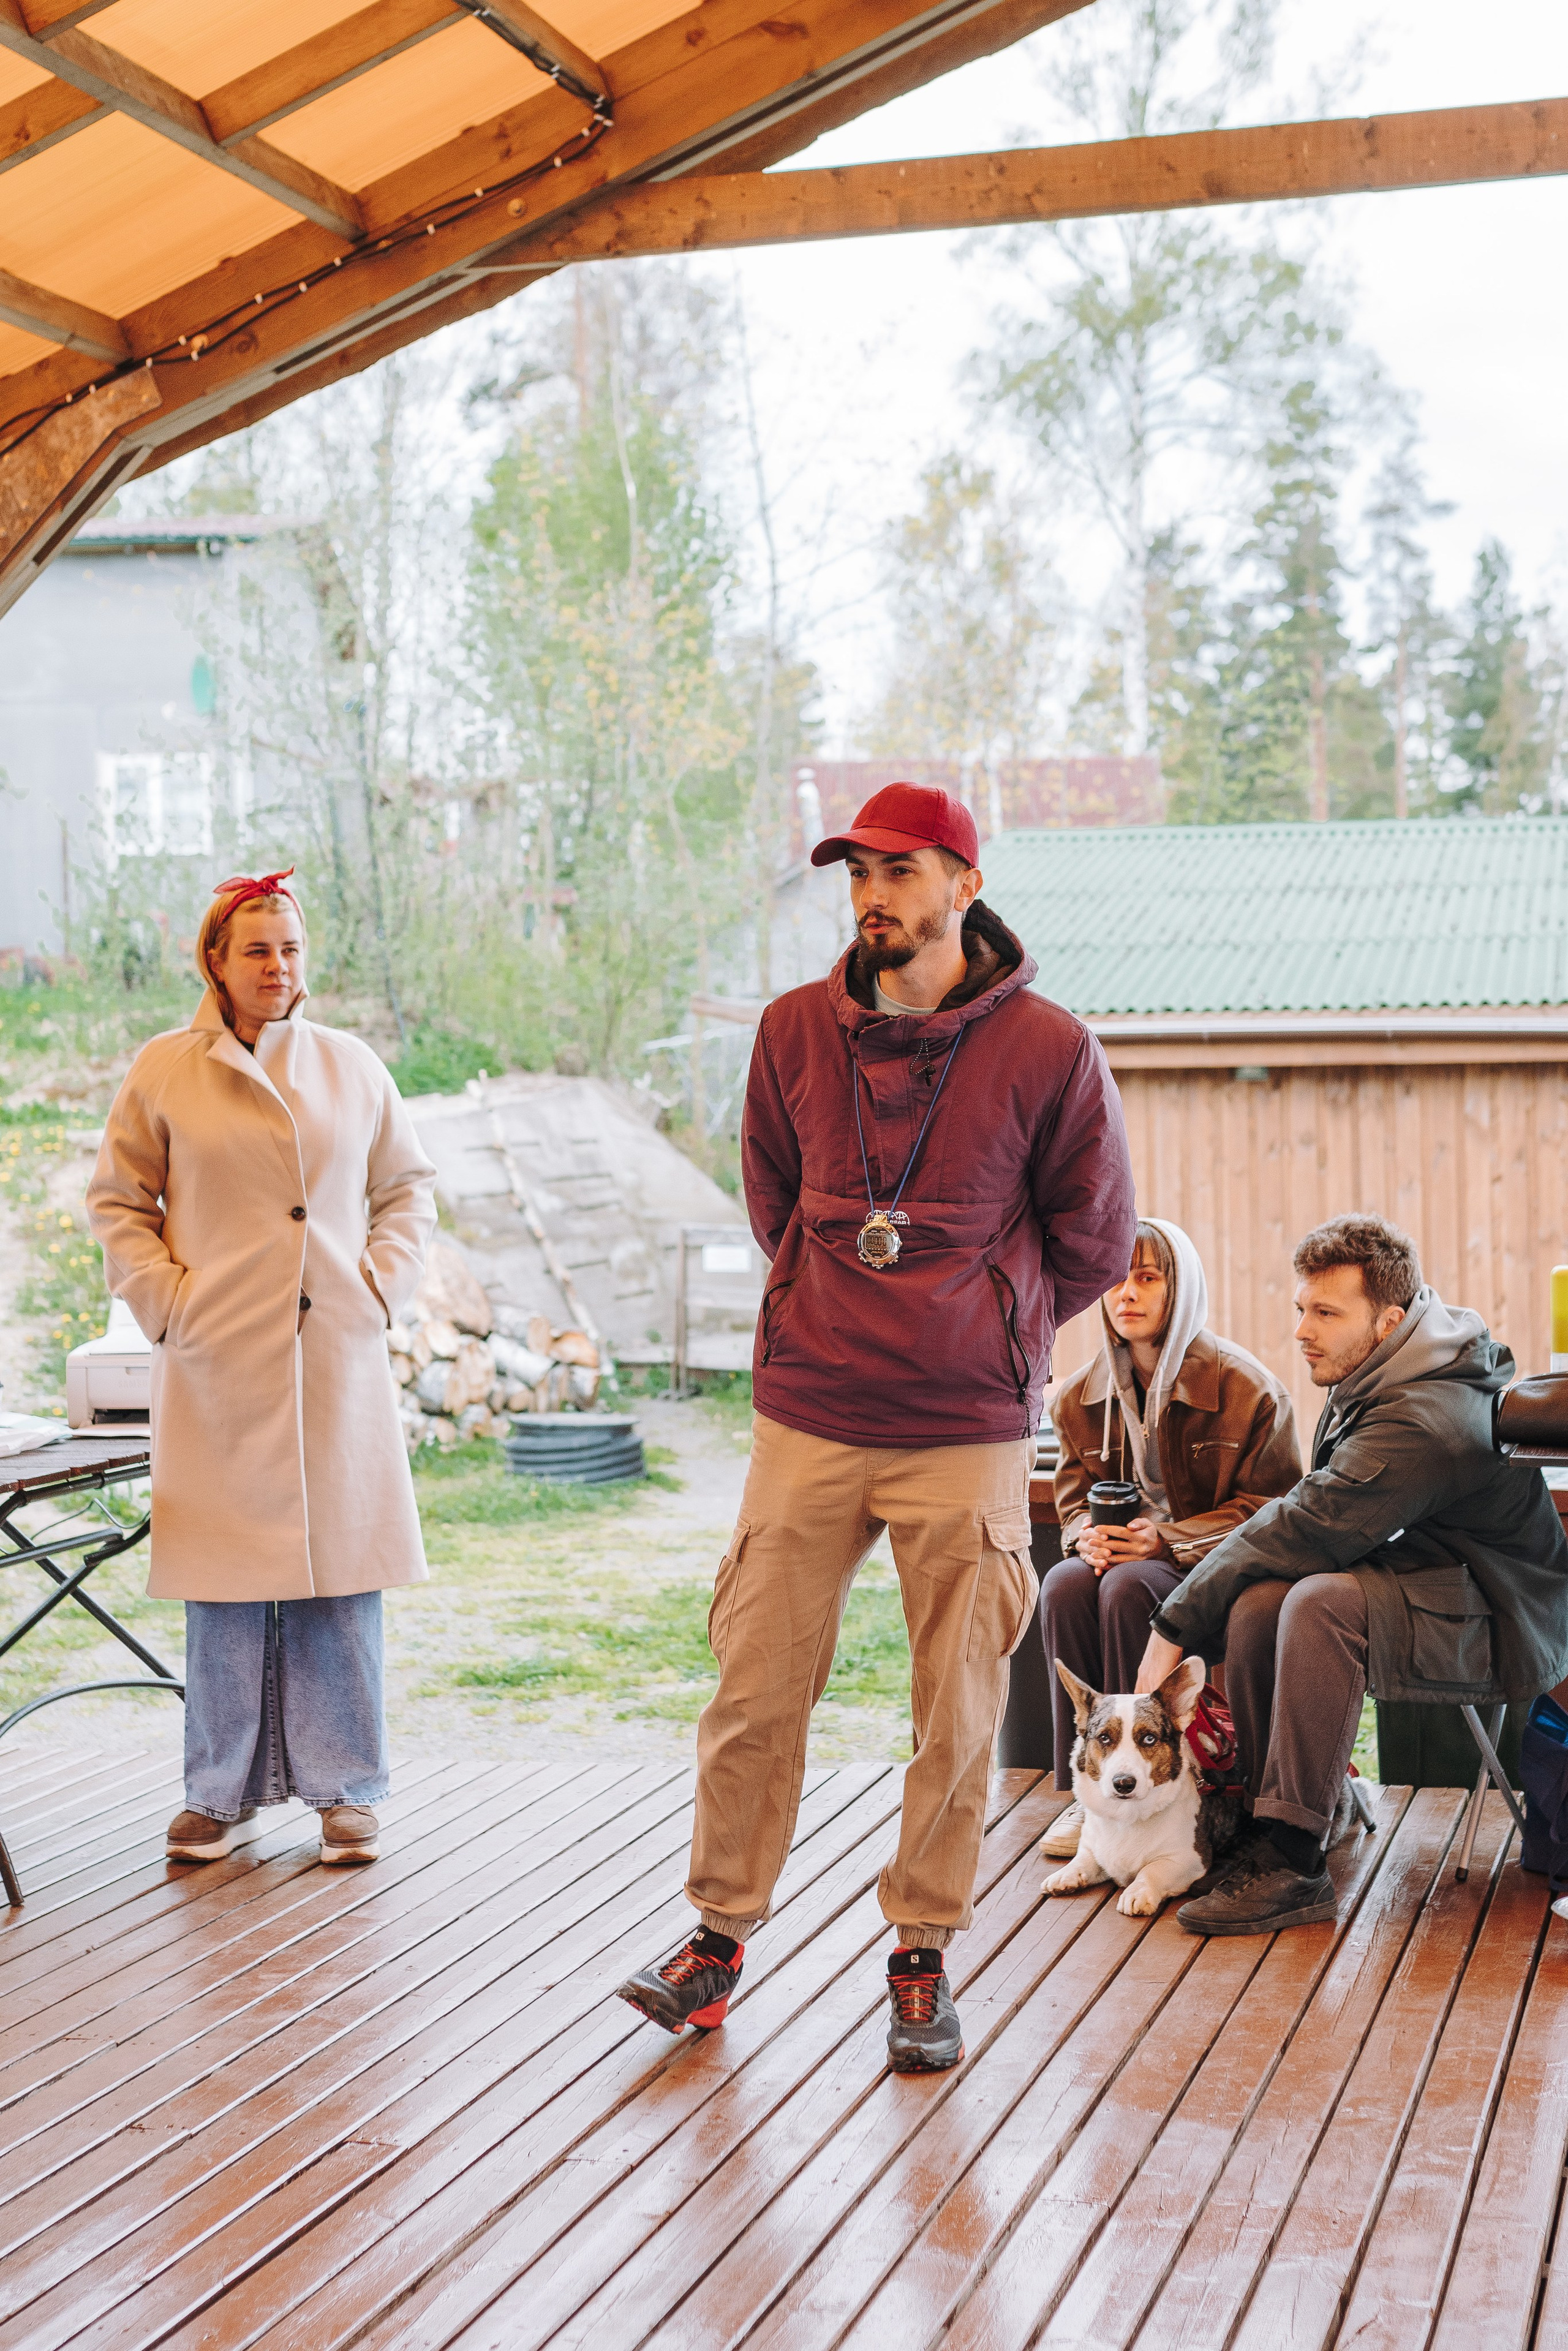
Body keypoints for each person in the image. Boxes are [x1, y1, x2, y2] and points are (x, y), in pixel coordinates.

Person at [617, 781, 1136, 2071]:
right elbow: (772, 1196)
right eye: (856, 872)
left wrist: (993, 1323)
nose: (871, 894)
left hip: (964, 1423)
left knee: (956, 1709)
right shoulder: (792, 1030)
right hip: (813, 1410)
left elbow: (1094, 1238)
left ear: (964, 882)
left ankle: (921, 1952)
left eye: (899, 870)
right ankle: (715, 1940)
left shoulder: (1050, 1048)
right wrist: (822, 1297)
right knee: (753, 1686)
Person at [87, 869, 438, 1868]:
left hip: (334, 1353)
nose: (278, 966)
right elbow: (118, 1199)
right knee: (224, 1580)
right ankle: (219, 1792)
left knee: (341, 1576)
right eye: (257, 949)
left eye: (290, 948)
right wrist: (169, 1301)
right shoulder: (165, 1069)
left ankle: (346, 1789)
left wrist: (379, 1285)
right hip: (218, 1355)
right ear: (216, 959)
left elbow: (407, 1188)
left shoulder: (352, 1064)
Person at [1134, 1213, 1568, 1936]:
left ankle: (1294, 1861)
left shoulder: (1422, 1418)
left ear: (1388, 1320)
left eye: (1326, 1313)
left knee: (1320, 1602)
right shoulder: (1388, 1366)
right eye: (1301, 1308)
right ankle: (1271, 1821)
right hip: (1432, 1579)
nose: (1302, 1330)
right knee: (1261, 1601)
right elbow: (1310, 1522)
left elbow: (1305, 1521)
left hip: (1502, 1616)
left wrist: (1172, 1624)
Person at [1040, 1215, 1300, 1859]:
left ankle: (1153, 1788)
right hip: (1128, 1565)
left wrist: (1167, 1539)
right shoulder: (1078, 1398)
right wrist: (1084, 1538)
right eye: (1113, 1279)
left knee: (1128, 1586)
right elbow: (1072, 1502)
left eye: (1147, 1278)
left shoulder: (1247, 1388)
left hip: (1215, 1571)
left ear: (1180, 1288)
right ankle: (1087, 1793)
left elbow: (1272, 1508)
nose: (1125, 1293)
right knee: (1065, 1583)